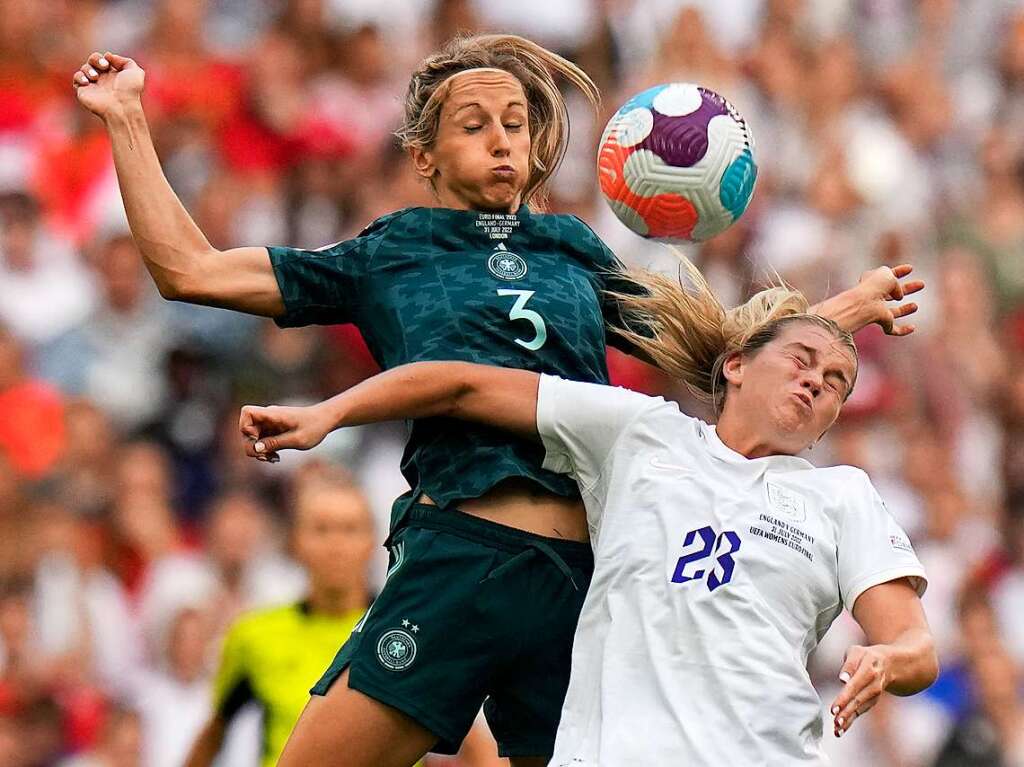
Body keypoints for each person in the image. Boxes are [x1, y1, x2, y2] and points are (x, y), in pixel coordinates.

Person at [72, 35, 921, 766]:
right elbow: (188, 269)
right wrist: (127, 119)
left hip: (582, 589)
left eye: (515, 124)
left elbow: (723, 355)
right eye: (474, 126)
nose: (503, 141)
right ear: (424, 156)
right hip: (459, 559)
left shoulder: (572, 247)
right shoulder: (390, 250)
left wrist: (841, 310)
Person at [238, 262, 939, 765]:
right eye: (802, 361)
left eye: (837, 383)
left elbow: (915, 644)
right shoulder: (639, 434)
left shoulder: (842, 495)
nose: (817, 380)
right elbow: (459, 385)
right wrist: (327, 413)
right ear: (733, 365)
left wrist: (888, 658)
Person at [184, 473, 375, 767]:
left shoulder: (408, 633)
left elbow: (467, 738)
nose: (336, 544)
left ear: (373, 541)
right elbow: (213, 734)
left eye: (350, 529)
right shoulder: (255, 635)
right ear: (296, 541)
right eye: (321, 530)